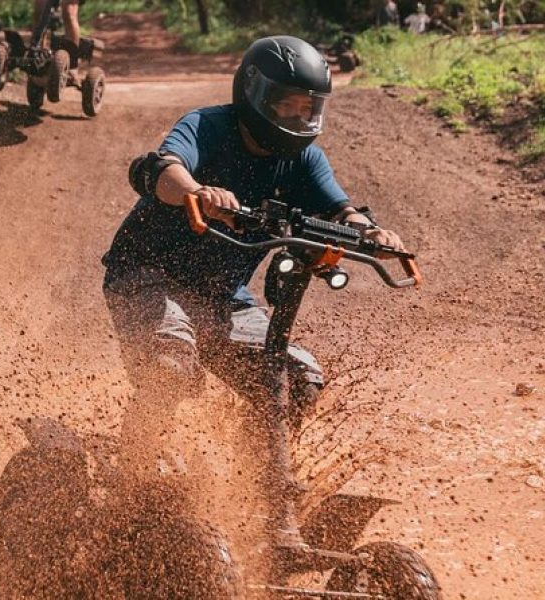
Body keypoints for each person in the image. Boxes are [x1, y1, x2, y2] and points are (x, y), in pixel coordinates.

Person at [101, 36, 406, 549]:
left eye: (308, 106)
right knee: (171, 364)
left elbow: (340, 209)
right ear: (255, 95)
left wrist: (368, 232)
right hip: (145, 276)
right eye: (288, 103)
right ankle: (132, 473)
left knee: (295, 379)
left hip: (224, 299)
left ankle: (253, 486)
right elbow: (161, 169)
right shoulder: (209, 126)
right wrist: (197, 193)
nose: (300, 114)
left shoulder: (305, 159)